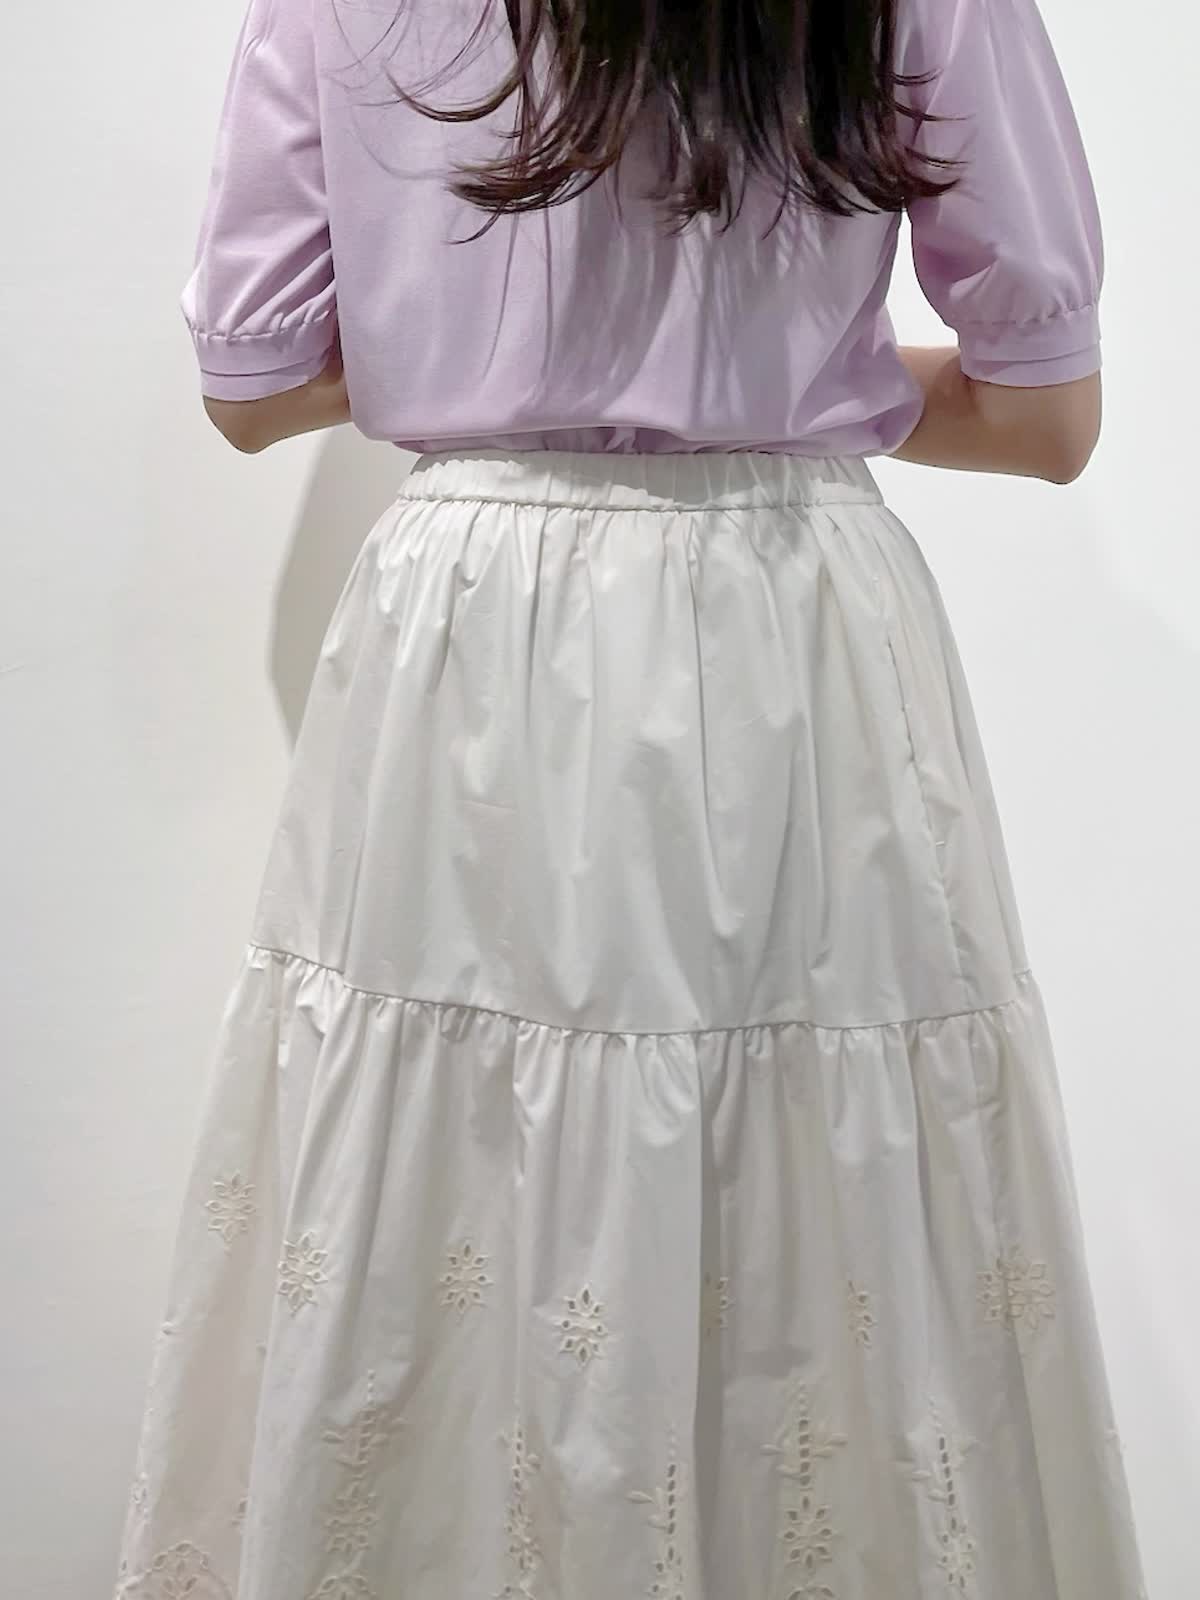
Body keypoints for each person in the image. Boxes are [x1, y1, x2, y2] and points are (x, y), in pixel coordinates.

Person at [112, 0, 1149, 1596]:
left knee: (448, 1153)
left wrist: (479, 350)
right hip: (789, 628)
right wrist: (796, 367)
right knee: (817, 1167)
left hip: (472, 643)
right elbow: (1045, 418)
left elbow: (251, 384)